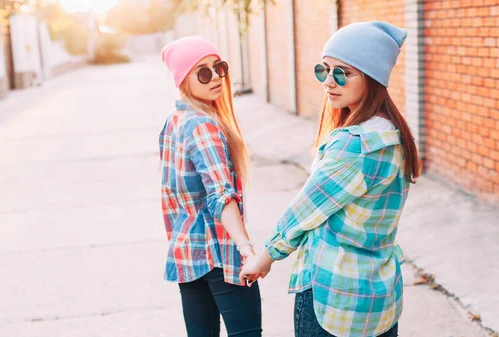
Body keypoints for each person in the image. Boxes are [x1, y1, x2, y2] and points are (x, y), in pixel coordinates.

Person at [240, 21, 420, 337]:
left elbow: (305, 211)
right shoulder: (394, 135)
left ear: (373, 77)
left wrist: (265, 258)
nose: (329, 82)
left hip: (335, 299)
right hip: (379, 298)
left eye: (343, 73)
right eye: (324, 70)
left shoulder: (355, 143)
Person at [159, 36, 262, 337]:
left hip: (187, 255)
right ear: (183, 79)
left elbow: (169, 200)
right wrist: (246, 249)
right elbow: (220, 195)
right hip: (221, 256)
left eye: (219, 67)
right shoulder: (203, 125)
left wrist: (178, 240)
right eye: (203, 72)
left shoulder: (173, 121)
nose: (215, 77)